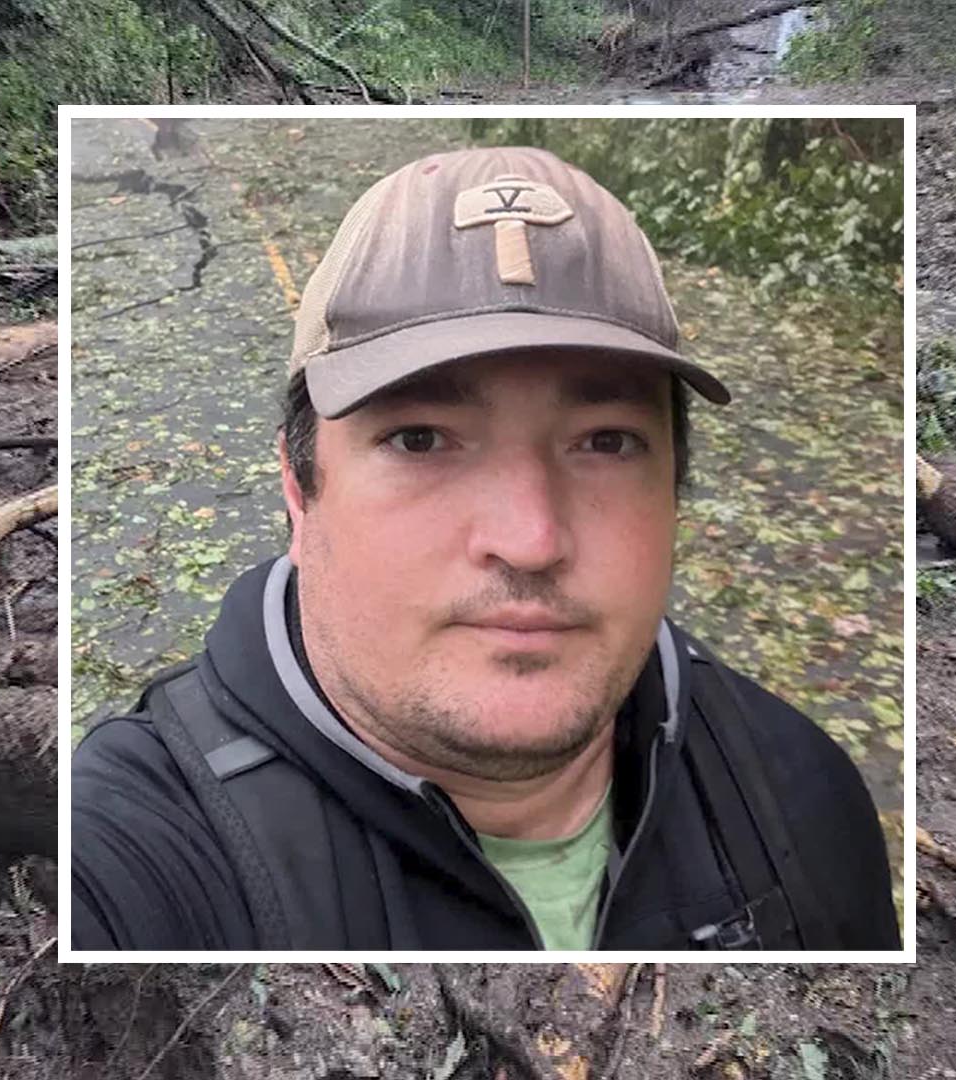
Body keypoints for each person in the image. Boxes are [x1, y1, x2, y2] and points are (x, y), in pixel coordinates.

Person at [72, 145, 898, 950]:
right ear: (298, 485)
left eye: (605, 442)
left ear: (675, 487)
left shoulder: (802, 797)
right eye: (422, 439)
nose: (531, 541)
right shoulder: (128, 854)